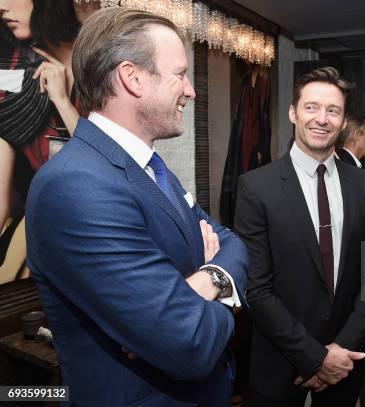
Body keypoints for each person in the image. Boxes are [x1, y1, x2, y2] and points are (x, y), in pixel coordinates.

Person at [25, 8, 247, 406]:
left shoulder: (151, 168)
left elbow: (234, 242)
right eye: (180, 74)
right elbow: (188, 343)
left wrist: (207, 280)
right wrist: (217, 297)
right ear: (132, 77)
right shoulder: (76, 186)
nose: (191, 90)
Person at [234, 67, 365, 406]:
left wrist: (341, 349)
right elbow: (256, 287)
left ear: (343, 121)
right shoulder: (257, 187)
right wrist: (315, 357)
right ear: (293, 113)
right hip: (280, 365)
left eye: (333, 111)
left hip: (346, 366)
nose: (322, 119)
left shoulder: (363, 185)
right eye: (311, 107)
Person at [0, 0, 84, 283]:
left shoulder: (99, 57)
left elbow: (112, 158)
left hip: (97, 213)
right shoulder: (13, 71)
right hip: (42, 218)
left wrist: (61, 101)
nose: (1, 6)